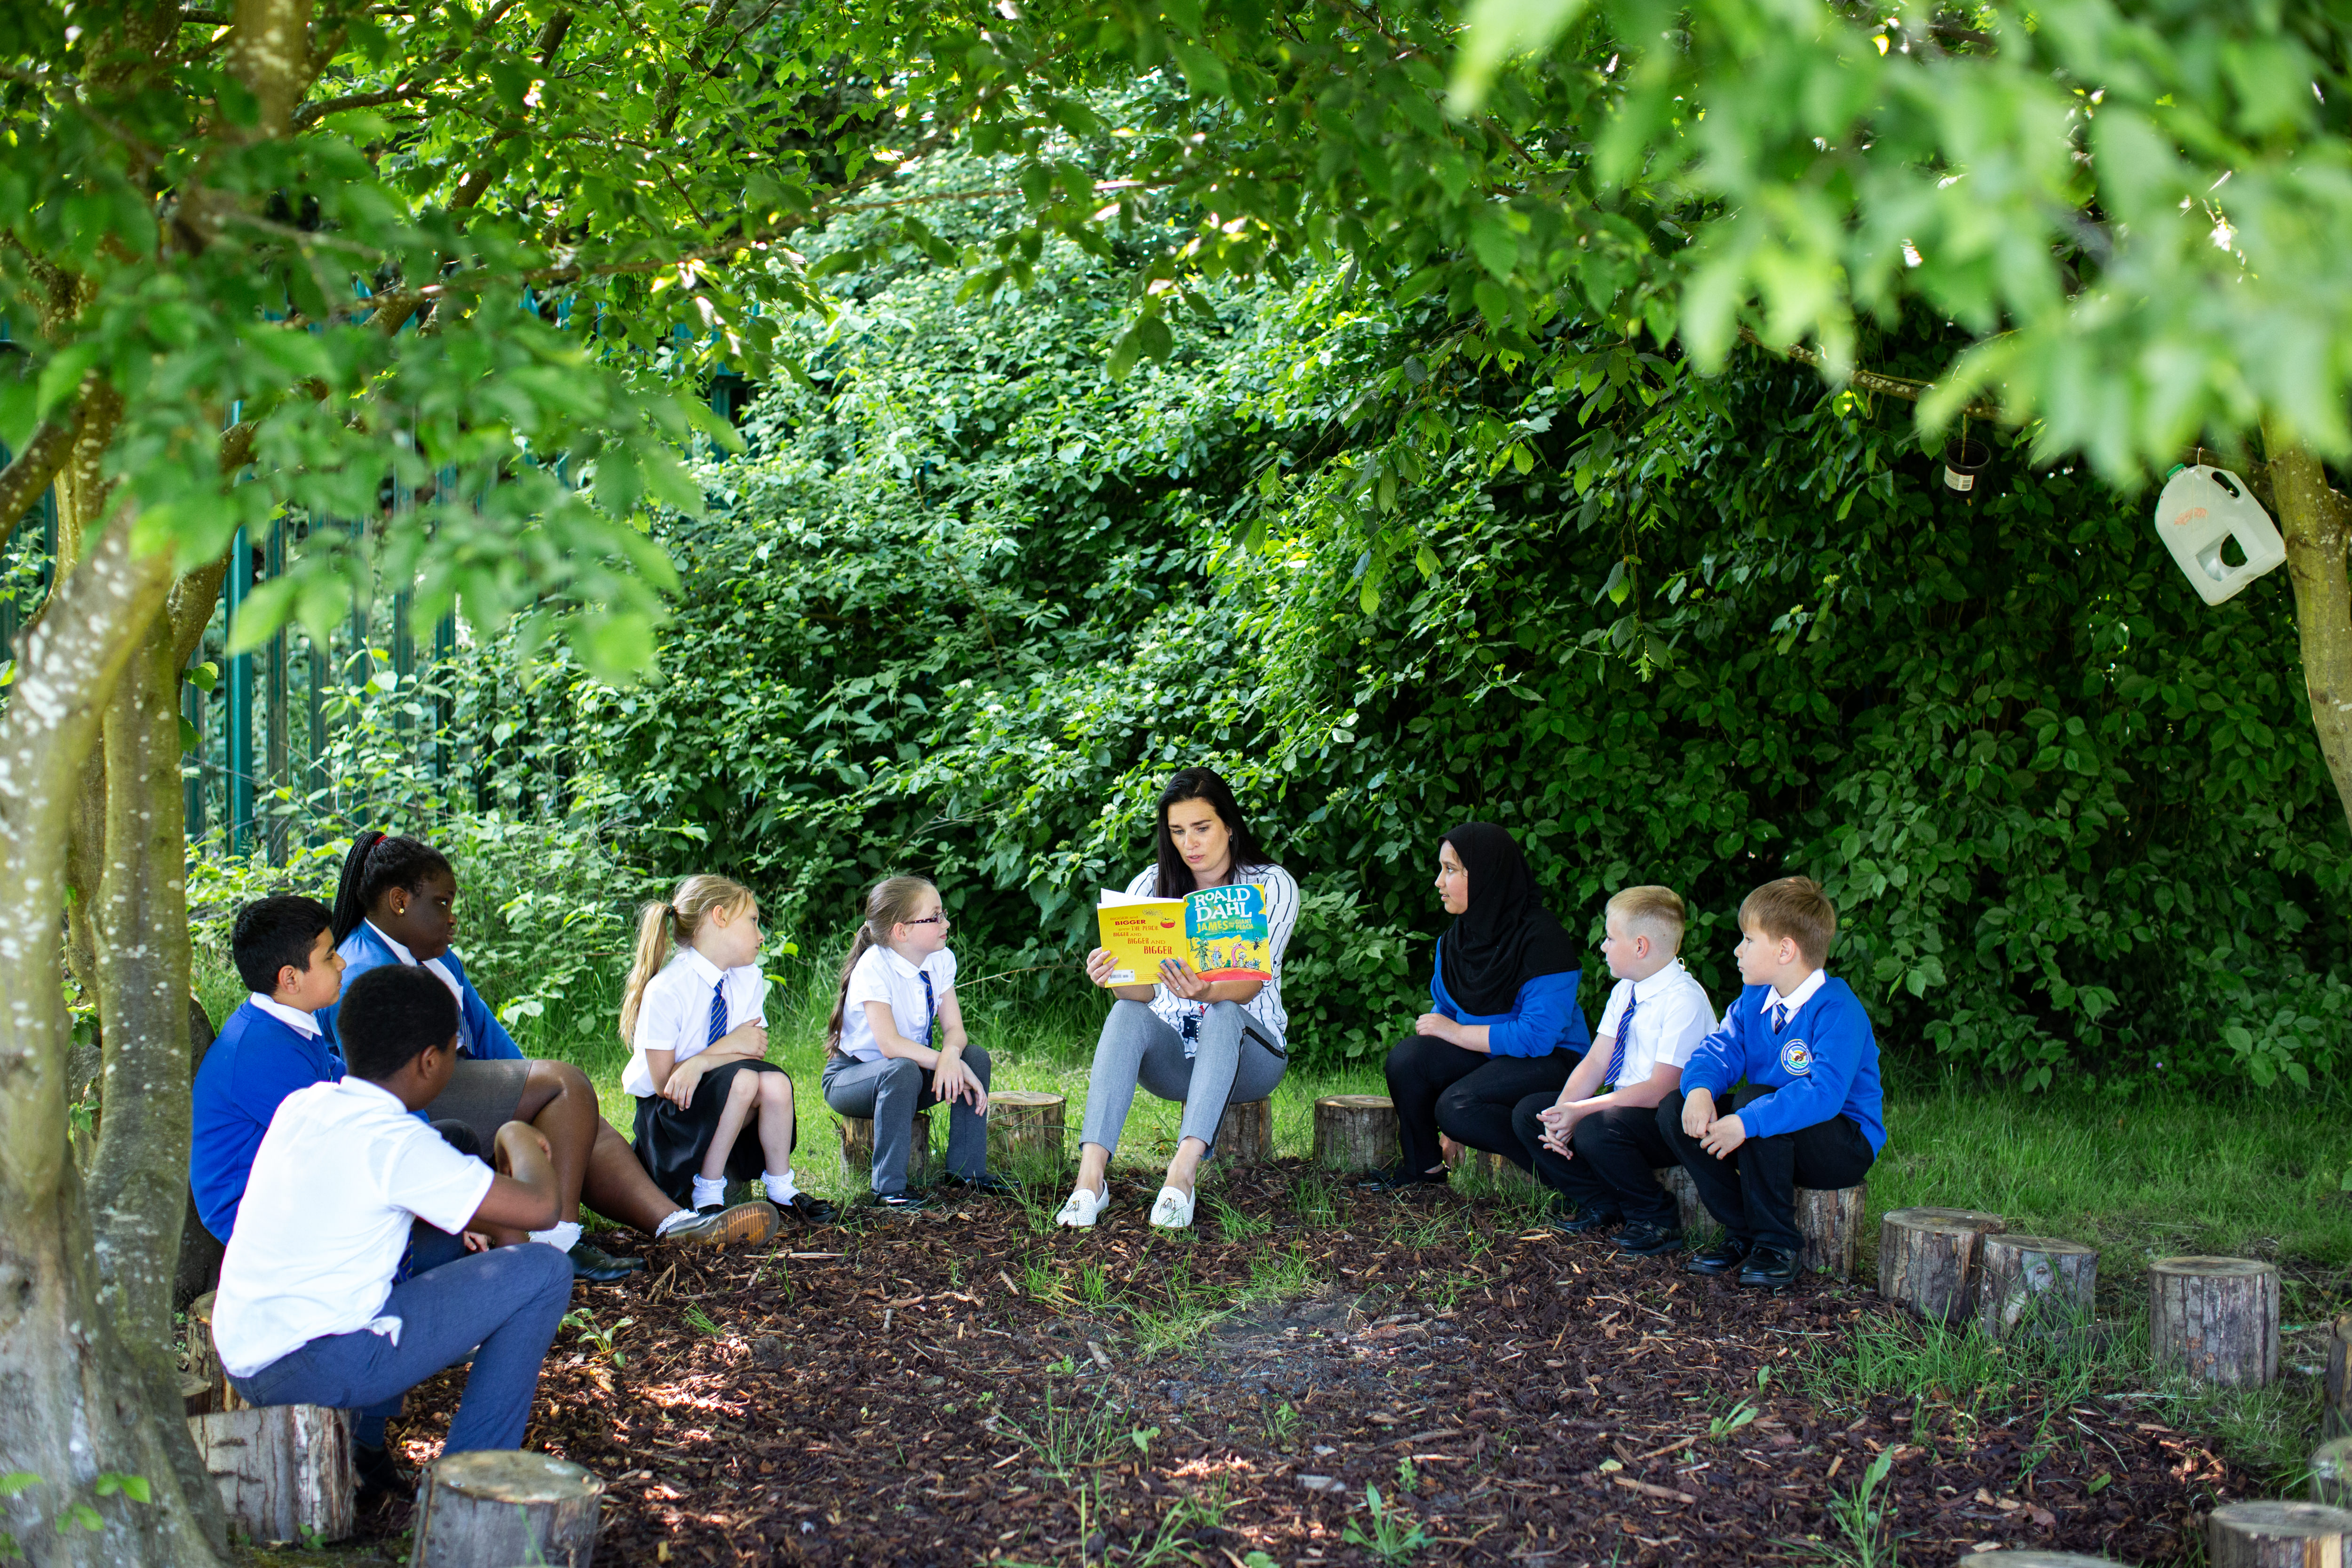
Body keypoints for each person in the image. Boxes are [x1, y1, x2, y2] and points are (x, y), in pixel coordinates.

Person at [319, 831, 783, 1266]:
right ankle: (555, 1240)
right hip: (423, 1105)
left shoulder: (442, 962)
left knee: (578, 1116)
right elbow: (386, 1086)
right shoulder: (361, 970)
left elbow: (491, 1040)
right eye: (441, 903)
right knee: (566, 1082)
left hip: (463, 1084)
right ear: (399, 902)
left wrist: (529, 1095)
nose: (453, 916)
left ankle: (676, 1225)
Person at [212, 965, 574, 1499]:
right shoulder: (398, 1142)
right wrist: (516, 1134)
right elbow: (542, 1207)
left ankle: (365, 1448)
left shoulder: (306, 1104)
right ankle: (467, 1487)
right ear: (430, 1061)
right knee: (546, 1271)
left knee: (443, 1240)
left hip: (247, 1350)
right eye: (453, 1050)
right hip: (314, 1364)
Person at [1061, 767, 1300, 1231]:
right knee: (1125, 1012)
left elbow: (1251, 983)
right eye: (1177, 831)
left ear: (1229, 825)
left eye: (1201, 828)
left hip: (1249, 1059)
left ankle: (1181, 1175)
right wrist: (1113, 976)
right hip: (1173, 1060)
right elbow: (1142, 992)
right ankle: (1090, 1180)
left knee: (1224, 1012)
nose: (1189, 843)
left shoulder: (1270, 885)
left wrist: (1206, 990)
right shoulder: (1149, 885)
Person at [1660, 876, 1885, 1290]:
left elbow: (1824, 1093)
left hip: (1841, 1142)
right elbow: (1720, 1049)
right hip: (1773, 1127)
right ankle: (1742, 1230)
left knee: (1756, 1101)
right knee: (1676, 1110)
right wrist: (1700, 1090)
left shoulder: (1838, 1008)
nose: (1738, 950)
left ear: (1785, 950)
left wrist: (1747, 1121)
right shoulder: (1755, 998)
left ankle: (1777, 1244)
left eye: (1748, 940)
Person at [1361, 823, 1590, 1193]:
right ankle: (1423, 1169)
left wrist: (1456, 1033)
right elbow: (1446, 1013)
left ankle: (1578, 1180)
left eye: (1450, 870)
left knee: (1457, 1107)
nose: (1439, 881)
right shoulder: (1455, 941)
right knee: (1408, 1060)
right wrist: (1450, 1032)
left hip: (1551, 1061)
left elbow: (1538, 1036)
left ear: (1487, 875)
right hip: (1488, 1057)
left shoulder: (1543, 939)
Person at [620, 875, 835, 1224]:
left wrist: (702, 1062)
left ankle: (781, 1187)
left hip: (720, 1100)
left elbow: (753, 1051)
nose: (761, 935)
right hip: (671, 1117)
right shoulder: (667, 989)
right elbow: (664, 1084)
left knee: (775, 1083)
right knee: (744, 1081)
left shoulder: (747, 978)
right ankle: (707, 1191)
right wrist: (722, 1050)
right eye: (753, 920)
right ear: (719, 917)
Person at [1513, 885, 1714, 1255]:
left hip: (1665, 1122)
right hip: (1623, 1112)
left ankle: (1656, 1217)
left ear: (1640, 946)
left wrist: (1582, 1111)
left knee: (1595, 1127)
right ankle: (1602, 1202)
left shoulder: (1684, 999)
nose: (1603, 946)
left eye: (1609, 937)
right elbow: (1596, 1061)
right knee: (1531, 1113)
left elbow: (1660, 1089)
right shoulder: (1625, 990)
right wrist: (1563, 1109)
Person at [819, 875, 1001, 1210]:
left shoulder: (940, 959)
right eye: (935, 917)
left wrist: (952, 1055)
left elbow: (955, 1029)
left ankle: (967, 1173)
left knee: (974, 1057)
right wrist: (944, 1060)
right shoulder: (874, 966)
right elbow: (890, 1045)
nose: (946, 922)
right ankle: (888, 1189)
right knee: (901, 1069)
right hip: (855, 1079)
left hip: (910, 1076)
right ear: (901, 931)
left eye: (943, 913)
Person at [190, 895, 350, 1245]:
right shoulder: (261, 1050)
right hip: (261, 1221)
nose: (342, 963)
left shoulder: (286, 1022)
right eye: (329, 956)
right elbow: (336, 1142)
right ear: (290, 978)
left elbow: (341, 1079)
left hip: (294, 1186)